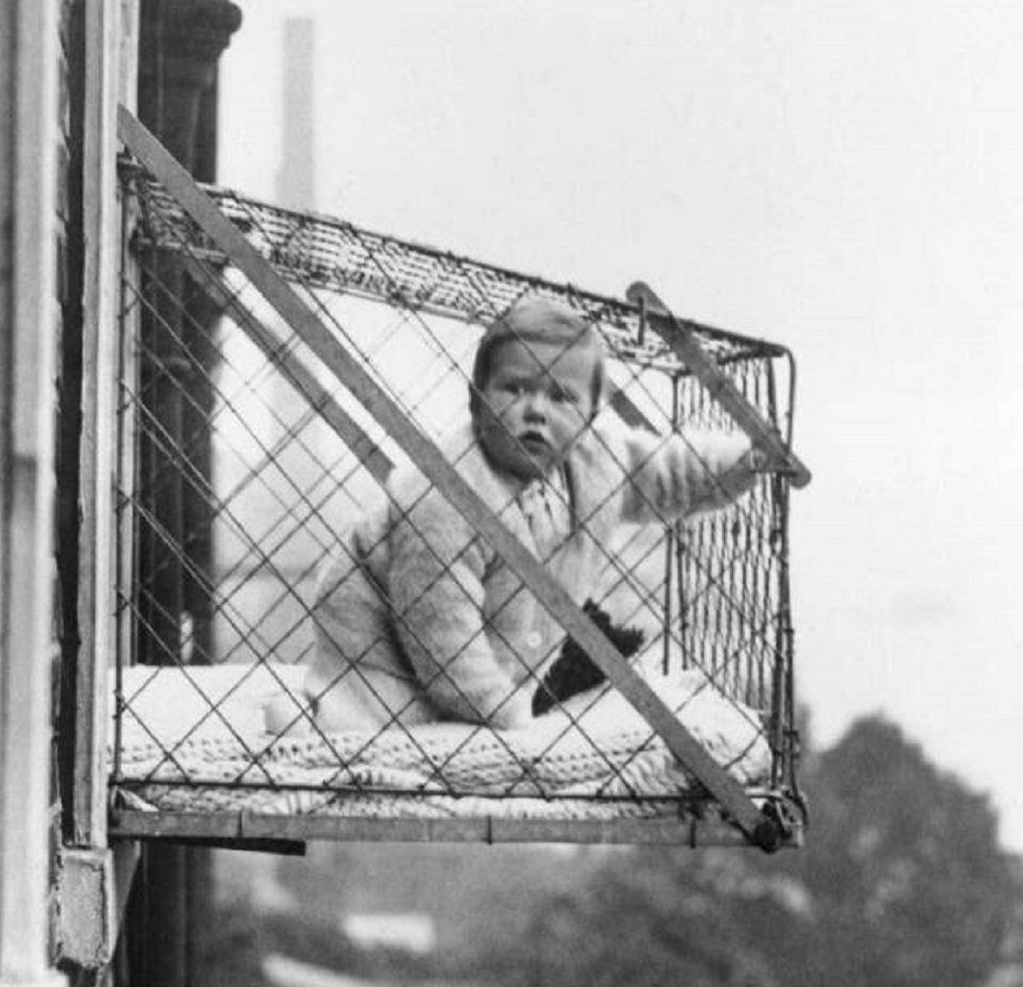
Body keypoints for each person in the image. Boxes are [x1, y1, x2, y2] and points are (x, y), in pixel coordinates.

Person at [302, 296, 762, 733]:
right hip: (379, 654)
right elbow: (442, 633)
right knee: (376, 725)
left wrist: (744, 463)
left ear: (589, 416)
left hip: (502, 656)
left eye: (561, 397)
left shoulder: (595, 462)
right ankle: (321, 711)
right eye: (514, 388)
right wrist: (503, 716)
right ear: (476, 401)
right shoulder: (444, 495)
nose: (536, 410)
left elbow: (670, 473)